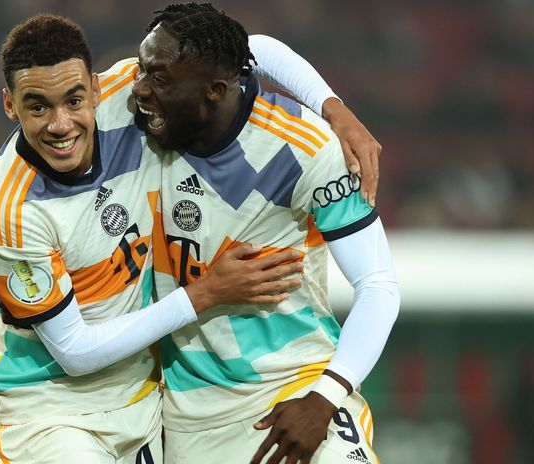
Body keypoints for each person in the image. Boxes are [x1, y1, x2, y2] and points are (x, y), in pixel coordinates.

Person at [0, 11, 384, 464]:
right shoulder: (8, 212)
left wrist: (333, 107)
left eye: (73, 101)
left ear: (92, 87)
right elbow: (75, 352)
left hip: (155, 400)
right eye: (37, 107)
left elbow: (252, 50)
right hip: (52, 404)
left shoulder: (125, 96)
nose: (60, 123)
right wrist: (207, 292)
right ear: (11, 106)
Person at [128, 3, 401, 464]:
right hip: (190, 412)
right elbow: (258, 48)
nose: (138, 90)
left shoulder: (308, 150)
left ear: (215, 91)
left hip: (295, 388)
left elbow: (379, 286)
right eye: (141, 71)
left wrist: (325, 397)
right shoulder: (140, 122)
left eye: (159, 81)